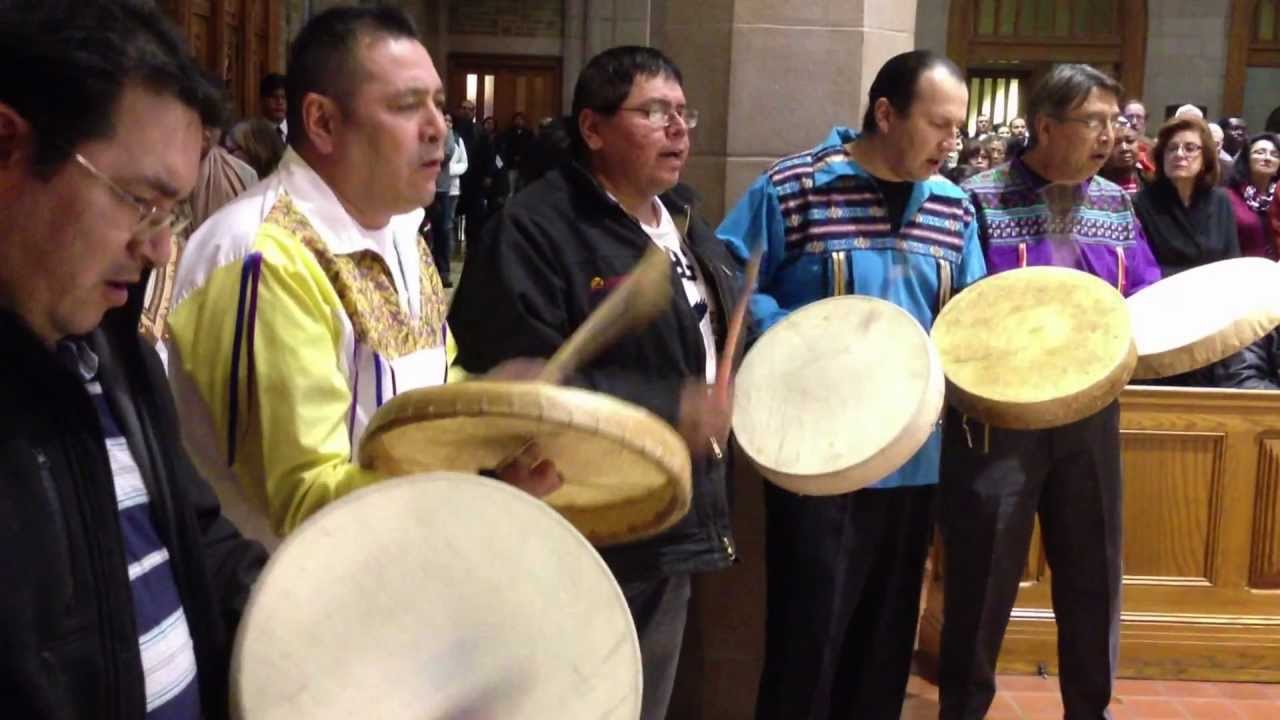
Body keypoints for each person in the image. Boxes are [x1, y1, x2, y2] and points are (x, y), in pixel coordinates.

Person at [166, 6, 557, 543]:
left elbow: (426, 388)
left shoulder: (399, 232)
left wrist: (493, 405)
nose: (438, 127)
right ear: (323, 121)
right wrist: (480, 486)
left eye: (438, 105)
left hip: (399, 574)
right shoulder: (265, 254)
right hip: (290, 606)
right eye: (406, 106)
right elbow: (307, 506)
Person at [448, 46, 742, 720]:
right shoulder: (535, 231)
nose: (679, 130)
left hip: (671, 510)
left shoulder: (685, 220)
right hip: (588, 520)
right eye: (655, 112)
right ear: (592, 127)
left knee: (644, 699)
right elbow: (519, 384)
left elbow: (712, 333)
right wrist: (673, 407)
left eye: (683, 113)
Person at [0, 1, 269, 717]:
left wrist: (323, 608)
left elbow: (195, 537)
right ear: (7, 146)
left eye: (170, 213)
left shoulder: (112, 349)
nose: (157, 248)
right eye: (139, 201)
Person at [718, 50, 986, 720]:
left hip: (915, 459)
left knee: (887, 642)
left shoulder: (954, 209)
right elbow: (729, 284)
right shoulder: (793, 189)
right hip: (819, 457)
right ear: (886, 113)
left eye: (959, 128)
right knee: (809, 638)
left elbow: (970, 314)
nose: (951, 143)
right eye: (938, 125)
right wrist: (806, 336)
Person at [943, 64, 1161, 720]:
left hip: (1090, 412)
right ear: (1045, 125)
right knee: (982, 576)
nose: (1109, 137)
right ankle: (963, 708)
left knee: (1093, 573)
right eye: (1093, 122)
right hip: (997, 419)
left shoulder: (1116, 203)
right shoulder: (975, 198)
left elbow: (1144, 297)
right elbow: (956, 310)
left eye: (1114, 122)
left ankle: (1089, 710)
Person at [1133, 117, 1239, 277]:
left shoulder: (1221, 200)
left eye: (1190, 148)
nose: (1179, 154)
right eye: (1172, 148)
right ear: (1162, 157)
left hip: (1219, 294)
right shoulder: (1141, 203)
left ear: (1205, 158)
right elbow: (1143, 267)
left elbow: (1232, 259)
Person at [1224, 133, 1280, 260]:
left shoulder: (1278, 196)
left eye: (1275, 155)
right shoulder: (1228, 197)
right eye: (1260, 152)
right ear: (1246, 159)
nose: (1267, 158)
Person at [429, 112, 467, 287]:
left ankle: (443, 272)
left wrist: (428, 157)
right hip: (421, 188)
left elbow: (448, 152)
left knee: (443, 230)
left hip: (442, 188)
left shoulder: (448, 134)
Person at [1099, 123, 1145, 195]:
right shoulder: (1093, 186)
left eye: (1130, 141)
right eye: (1116, 143)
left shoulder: (1150, 181)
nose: (1124, 148)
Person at [499, 111, 532, 193]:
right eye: (517, 119)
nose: (519, 121)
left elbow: (531, 149)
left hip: (524, 166)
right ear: (514, 121)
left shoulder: (529, 134)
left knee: (523, 190)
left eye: (521, 119)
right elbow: (504, 149)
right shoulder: (507, 133)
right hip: (511, 165)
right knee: (510, 190)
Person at [260, 72, 288, 143]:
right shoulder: (249, 135)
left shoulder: (299, 134)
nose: (279, 102)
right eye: (274, 97)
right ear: (262, 100)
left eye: (284, 97)